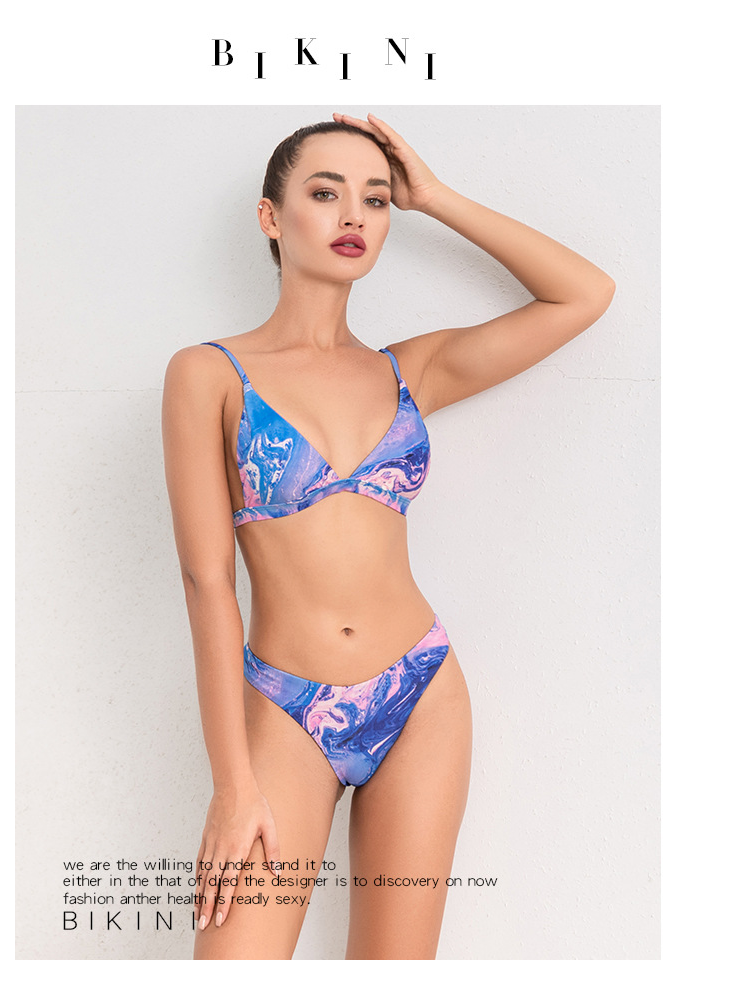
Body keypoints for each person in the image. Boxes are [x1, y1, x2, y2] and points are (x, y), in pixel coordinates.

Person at [161, 112, 615, 960]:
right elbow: (206, 582)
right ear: (270, 216)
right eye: (325, 192)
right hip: (286, 708)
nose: (353, 216)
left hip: (421, 694)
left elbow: (584, 293)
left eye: (375, 199)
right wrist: (232, 784)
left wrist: (433, 196)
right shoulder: (209, 373)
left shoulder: (410, 371)